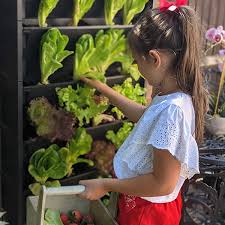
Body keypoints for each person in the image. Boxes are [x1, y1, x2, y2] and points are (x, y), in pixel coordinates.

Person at [78, 3, 208, 225]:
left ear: (154, 59)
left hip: (149, 212)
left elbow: (162, 184)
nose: (136, 67)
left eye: (137, 62)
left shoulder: (172, 111)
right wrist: (103, 89)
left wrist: (105, 185)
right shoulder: (172, 97)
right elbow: (144, 116)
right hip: (144, 203)